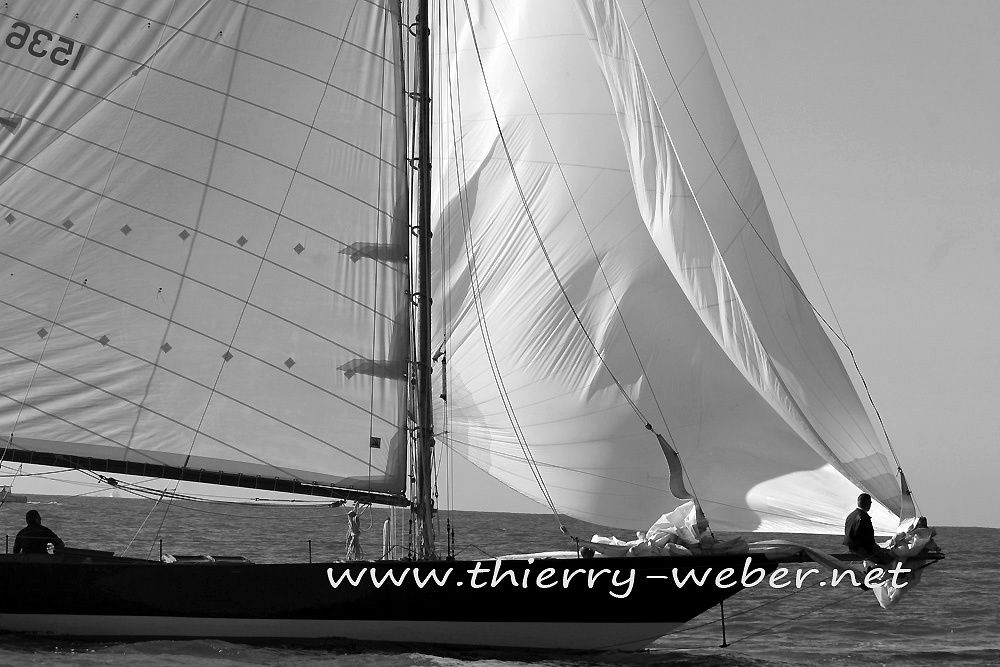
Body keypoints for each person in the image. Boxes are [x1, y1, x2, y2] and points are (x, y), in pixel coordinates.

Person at [843, 493, 893, 565]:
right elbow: (869, 540)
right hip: (861, 550)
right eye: (870, 502)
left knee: (883, 553)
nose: (870, 504)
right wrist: (879, 550)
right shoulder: (863, 517)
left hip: (852, 548)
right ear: (867, 503)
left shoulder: (851, 515)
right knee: (889, 558)